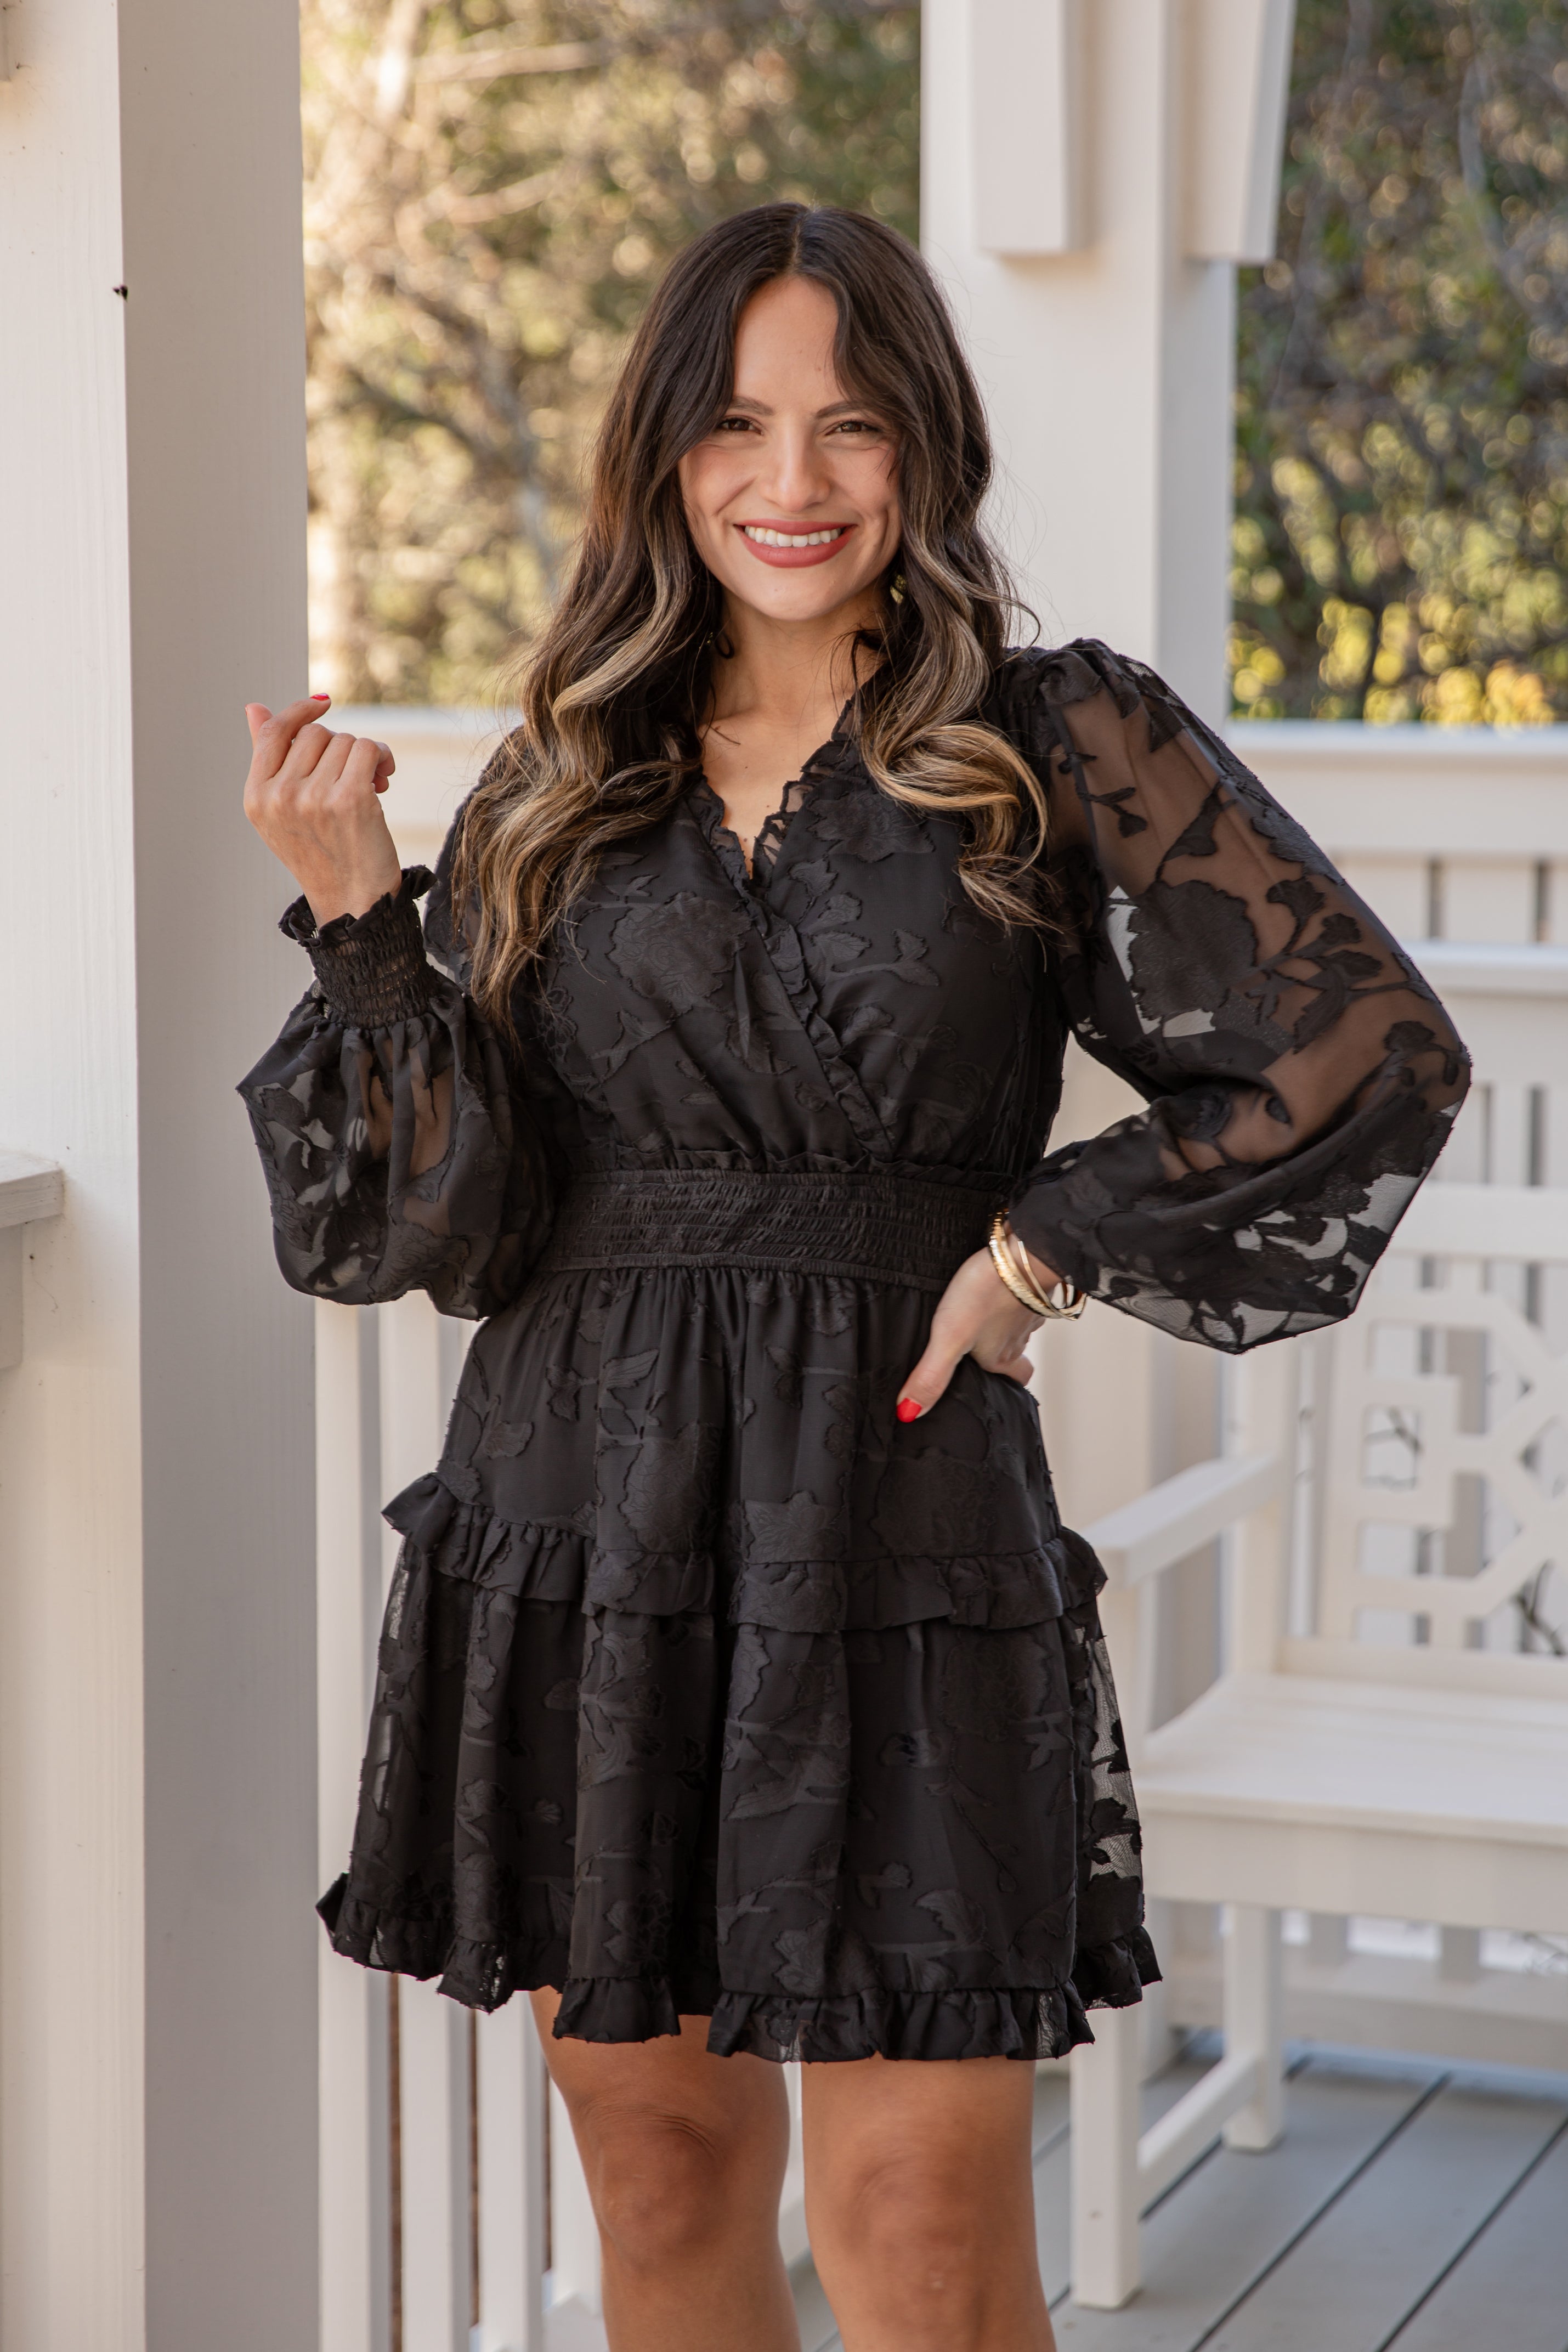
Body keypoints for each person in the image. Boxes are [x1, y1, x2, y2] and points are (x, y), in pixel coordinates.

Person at [239, 203, 1467, 2352]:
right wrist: (360, 922)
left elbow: (1357, 1051)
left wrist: (1040, 1250)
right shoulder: (561, 769)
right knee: (657, 2163)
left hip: (898, 1522)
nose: (789, 480)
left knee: (918, 2220)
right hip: (590, 1516)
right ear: (661, 454)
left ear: (923, 444)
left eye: (849, 423)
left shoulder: (1052, 736)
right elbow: (445, 1228)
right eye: (733, 425)